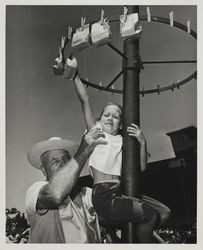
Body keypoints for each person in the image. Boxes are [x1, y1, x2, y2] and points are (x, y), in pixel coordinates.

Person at [68, 58, 171, 243]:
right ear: (100, 120)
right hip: (105, 194)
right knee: (148, 215)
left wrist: (142, 142)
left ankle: (118, 231)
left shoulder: (124, 141)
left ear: (121, 123)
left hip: (124, 190)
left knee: (163, 213)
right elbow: (85, 101)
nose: (110, 119)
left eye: (116, 117)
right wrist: (75, 74)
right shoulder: (97, 133)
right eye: (106, 115)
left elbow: (140, 168)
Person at [25, 127, 107, 243]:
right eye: (55, 162)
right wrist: (83, 150)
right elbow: (55, 194)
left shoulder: (86, 193)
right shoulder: (35, 190)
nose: (63, 164)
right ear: (44, 170)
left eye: (66, 160)